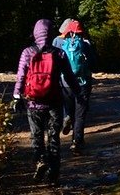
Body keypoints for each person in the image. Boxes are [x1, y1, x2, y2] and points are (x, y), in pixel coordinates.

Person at [13, 19, 80, 186]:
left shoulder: (27, 52)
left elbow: (21, 76)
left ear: (35, 33)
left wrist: (16, 96)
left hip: (33, 102)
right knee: (53, 138)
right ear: (50, 34)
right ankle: (54, 174)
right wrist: (78, 93)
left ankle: (40, 160)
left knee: (36, 136)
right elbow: (69, 76)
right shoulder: (59, 54)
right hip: (54, 102)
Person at [58, 19, 95, 155]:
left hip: (66, 84)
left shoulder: (62, 45)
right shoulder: (85, 45)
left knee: (71, 113)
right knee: (80, 115)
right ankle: (77, 142)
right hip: (82, 83)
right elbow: (93, 63)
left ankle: (67, 119)